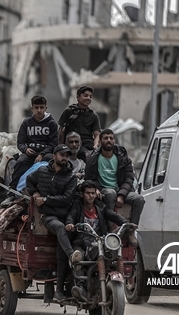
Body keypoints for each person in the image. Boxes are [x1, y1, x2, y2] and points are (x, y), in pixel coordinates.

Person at [25, 145, 78, 304]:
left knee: (60, 256)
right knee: (60, 229)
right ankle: (73, 257)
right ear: (54, 155)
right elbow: (29, 180)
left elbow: (67, 199)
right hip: (48, 216)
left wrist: (46, 199)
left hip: (66, 217)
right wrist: (34, 193)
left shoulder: (71, 177)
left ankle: (60, 291)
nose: (65, 158)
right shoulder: (42, 172)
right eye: (62, 155)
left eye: (67, 156)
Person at [64, 181, 129, 299]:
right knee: (80, 258)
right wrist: (69, 224)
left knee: (110, 257)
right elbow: (71, 215)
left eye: (93, 193)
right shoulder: (77, 205)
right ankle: (81, 287)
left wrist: (125, 223)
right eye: (88, 193)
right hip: (81, 242)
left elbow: (112, 214)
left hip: (98, 242)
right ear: (82, 194)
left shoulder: (100, 206)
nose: (91, 196)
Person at [85, 128, 145, 232]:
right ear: (99, 141)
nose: (109, 140)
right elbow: (89, 179)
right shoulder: (92, 158)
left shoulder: (122, 157)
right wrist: (95, 189)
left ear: (114, 141)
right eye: (105, 138)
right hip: (104, 190)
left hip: (120, 190)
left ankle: (131, 230)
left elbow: (129, 178)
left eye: (111, 138)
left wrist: (121, 195)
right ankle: (110, 229)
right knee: (110, 193)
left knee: (139, 199)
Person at [10, 95, 59, 188]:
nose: (39, 110)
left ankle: (49, 188)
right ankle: (13, 189)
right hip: (30, 153)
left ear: (46, 108)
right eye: (36, 107)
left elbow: (53, 144)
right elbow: (20, 142)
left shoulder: (52, 123)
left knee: (50, 162)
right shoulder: (26, 123)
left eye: (41, 107)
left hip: (45, 153)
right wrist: (25, 149)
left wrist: (42, 154)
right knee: (20, 162)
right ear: (32, 108)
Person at [57, 86, 100, 152]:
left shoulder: (93, 115)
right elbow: (61, 131)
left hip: (88, 145)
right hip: (72, 144)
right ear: (78, 97)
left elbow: (97, 134)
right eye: (85, 96)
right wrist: (60, 147)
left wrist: (96, 145)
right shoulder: (69, 111)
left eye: (90, 97)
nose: (88, 98)